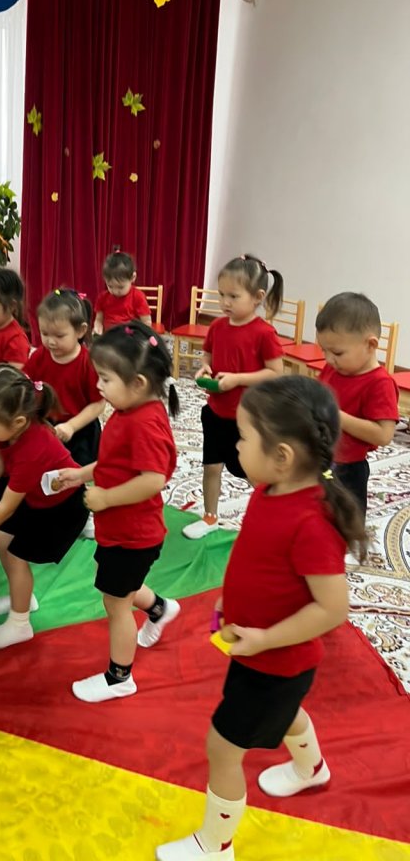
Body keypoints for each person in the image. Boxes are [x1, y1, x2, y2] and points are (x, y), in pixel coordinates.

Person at [156, 377, 368, 861]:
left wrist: (268, 638)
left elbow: (333, 607)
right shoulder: (269, 490)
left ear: (283, 455)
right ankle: (311, 768)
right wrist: (228, 598)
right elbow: (256, 554)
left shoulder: (311, 522)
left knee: (222, 747)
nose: (236, 445)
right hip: (261, 652)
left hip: (277, 662)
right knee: (286, 714)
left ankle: (216, 846)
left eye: (244, 437)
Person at [56, 321, 180, 703]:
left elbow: (153, 479)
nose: (98, 386)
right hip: (122, 531)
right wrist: (81, 474)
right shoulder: (130, 412)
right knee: (123, 588)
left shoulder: (144, 423)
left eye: (106, 379)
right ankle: (160, 608)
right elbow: (115, 463)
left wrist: (107, 499)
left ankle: (119, 677)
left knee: (115, 603)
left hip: (133, 534)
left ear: (138, 383)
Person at [0, 366, 88, 649]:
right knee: (4, 540)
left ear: (18, 422)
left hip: (63, 509)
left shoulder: (32, 449)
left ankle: (20, 623)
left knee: (14, 553)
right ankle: (23, 597)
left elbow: (5, 507)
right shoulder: (10, 432)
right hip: (39, 498)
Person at [184, 253, 284, 540]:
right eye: (222, 294)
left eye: (234, 296)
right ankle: (210, 517)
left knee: (252, 472)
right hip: (216, 412)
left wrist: (238, 380)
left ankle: (275, 517)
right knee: (211, 467)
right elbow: (208, 355)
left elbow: (275, 372)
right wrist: (205, 367)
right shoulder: (217, 327)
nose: (225, 302)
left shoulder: (264, 333)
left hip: (248, 419)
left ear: (257, 297)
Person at [26, 287, 106, 540]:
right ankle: (52, 509)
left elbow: (98, 405)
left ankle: (84, 513)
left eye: (59, 335)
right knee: (47, 470)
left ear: (81, 331)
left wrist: (72, 426)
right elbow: (26, 384)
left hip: (81, 429)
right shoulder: (40, 357)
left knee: (78, 474)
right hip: (48, 426)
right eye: (44, 334)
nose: (50, 341)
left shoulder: (87, 362)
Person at [315, 293, 399, 516]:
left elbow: (383, 435)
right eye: (324, 351)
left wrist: (338, 416)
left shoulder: (380, 383)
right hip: (319, 458)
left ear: (370, 345)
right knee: (316, 513)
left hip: (348, 469)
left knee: (347, 521)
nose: (328, 359)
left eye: (337, 352)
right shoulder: (333, 369)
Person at [93, 250, 151, 335]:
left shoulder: (138, 296)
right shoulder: (102, 297)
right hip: (109, 336)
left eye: (120, 287)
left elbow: (146, 322)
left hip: (130, 337)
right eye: (110, 286)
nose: (115, 291)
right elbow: (98, 319)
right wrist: (97, 326)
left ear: (133, 277)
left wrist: (142, 336)